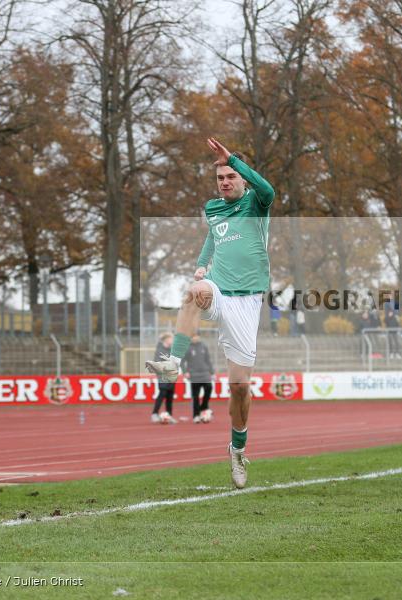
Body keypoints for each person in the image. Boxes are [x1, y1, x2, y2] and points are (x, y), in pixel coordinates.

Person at [145, 137, 274, 489]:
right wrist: (202, 266)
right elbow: (212, 237)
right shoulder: (214, 208)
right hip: (218, 288)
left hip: (247, 301)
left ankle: (237, 448)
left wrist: (231, 157)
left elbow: (269, 188)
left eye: (231, 176)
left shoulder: (257, 202)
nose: (226, 182)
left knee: (239, 388)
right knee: (193, 292)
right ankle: (173, 362)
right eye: (221, 178)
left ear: (242, 178)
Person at [182, 334, 214, 423]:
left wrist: (212, 372)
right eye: (193, 336)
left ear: (199, 336)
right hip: (194, 375)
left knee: (209, 388)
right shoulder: (187, 348)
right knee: (195, 396)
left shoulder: (204, 346)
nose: (194, 338)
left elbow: (208, 360)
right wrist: (185, 372)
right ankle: (196, 415)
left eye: (196, 336)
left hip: (205, 373)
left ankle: (203, 407)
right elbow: (182, 361)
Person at [151, 333, 177, 424]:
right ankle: (154, 414)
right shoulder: (160, 350)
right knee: (162, 394)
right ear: (166, 340)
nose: (173, 340)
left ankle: (169, 415)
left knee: (170, 396)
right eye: (171, 339)